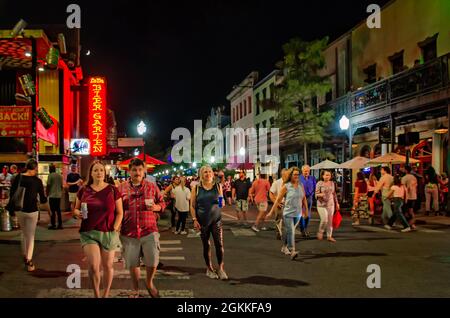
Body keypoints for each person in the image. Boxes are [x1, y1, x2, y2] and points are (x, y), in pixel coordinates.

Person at [73, 161, 123, 298]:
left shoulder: (113, 190)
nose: (99, 173)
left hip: (108, 232)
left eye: (101, 170)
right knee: (94, 266)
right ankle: (96, 295)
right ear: (91, 173)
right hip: (89, 232)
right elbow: (76, 209)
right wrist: (77, 213)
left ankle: (105, 294)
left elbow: (120, 212)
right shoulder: (84, 189)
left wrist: (115, 228)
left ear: (105, 173)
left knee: (107, 266)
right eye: (95, 170)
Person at [118, 158, 165, 298]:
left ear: (144, 171)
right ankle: (135, 288)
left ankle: (149, 282)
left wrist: (157, 207)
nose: (137, 172)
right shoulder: (121, 188)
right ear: (129, 171)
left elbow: (162, 202)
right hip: (128, 231)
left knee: (152, 261)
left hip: (149, 229)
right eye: (134, 170)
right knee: (133, 263)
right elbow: (115, 207)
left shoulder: (151, 186)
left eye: (140, 170)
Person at [7, 159, 48, 272]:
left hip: (20, 210)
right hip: (32, 211)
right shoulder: (37, 181)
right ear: (34, 169)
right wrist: (48, 209)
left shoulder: (18, 178)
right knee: (31, 236)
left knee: (24, 233)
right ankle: (29, 260)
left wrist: (11, 210)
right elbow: (43, 198)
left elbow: (12, 194)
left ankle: (24, 254)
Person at [190, 165, 228, 280]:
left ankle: (221, 268)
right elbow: (192, 206)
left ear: (213, 174)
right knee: (206, 245)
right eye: (205, 172)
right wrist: (194, 219)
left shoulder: (218, 186)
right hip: (202, 222)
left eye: (209, 172)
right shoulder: (196, 188)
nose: (208, 174)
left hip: (216, 220)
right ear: (201, 175)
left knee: (219, 244)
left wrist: (222, 202)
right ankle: (209, 268)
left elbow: (221, 200)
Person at [266, 167, 308, 260]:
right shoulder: (286, 186)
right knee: (291, 231)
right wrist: (271, 212)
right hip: (288, 213)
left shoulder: (301, 185)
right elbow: (278, 200)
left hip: (298, 213)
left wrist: (306, 211)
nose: (297, 176)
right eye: (295, 174)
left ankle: (284, 247)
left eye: (298, 174)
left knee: (290, 231)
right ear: (291, 175)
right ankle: (292, 251)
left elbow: (304, 198)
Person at [315, 170, 339, 243]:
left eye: (329, 175)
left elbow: (334, 194)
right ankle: (320, 231)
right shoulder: (319, 183)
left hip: (331, 204)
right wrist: (320, 195)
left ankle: (329, 236)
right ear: (322, 176)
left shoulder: (332, 183)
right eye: (326, 175)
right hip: (321, 205)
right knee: (324, 219)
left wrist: (337, 203)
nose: (327, 176)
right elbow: (316, 194)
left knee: (330, 221)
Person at [269, 168, 289, 240]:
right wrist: (275, 202)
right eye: (287, 174)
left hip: (288, 204)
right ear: (282, 175)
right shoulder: (277, 182)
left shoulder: (290, 183)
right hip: (279, 204)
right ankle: (279, 233)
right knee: (278, 219)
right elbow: (271, 193)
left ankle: (288, 235)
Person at [299, 165, 317, 237]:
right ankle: (302, 229)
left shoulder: (312, 178)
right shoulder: (299, 178)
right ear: (302, 171)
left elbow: (315, 187)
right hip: (300, 198)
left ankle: (305, 227)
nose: (306, 172)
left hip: (309, 198)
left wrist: (312, 194)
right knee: (301, 214)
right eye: (305, 171)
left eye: (308, 171)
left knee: (308, 214)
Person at [46, 164, 64, 230]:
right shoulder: (59, 176)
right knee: (58, 210)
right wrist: (60, 192)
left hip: (52, 195)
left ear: (50, 169)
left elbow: (48, 185)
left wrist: (46, 194)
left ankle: (53, 224)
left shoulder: (50, 176)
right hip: (58, 196)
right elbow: (62, 186)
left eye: (49, 169)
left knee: (52, 211)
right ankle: (60, 224)